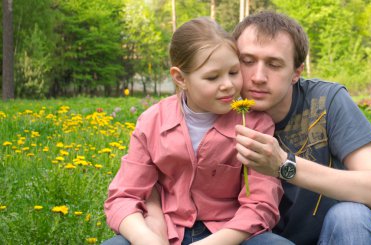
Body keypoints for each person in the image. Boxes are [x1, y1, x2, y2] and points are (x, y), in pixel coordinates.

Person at [102, 17, 284, 245]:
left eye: (234, 72)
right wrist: (145, 237)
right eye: (212, 77)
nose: (228, 85)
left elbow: (261, 204)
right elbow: (125, 195)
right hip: (167, 231)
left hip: (230, 233)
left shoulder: (254, 123)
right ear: (180, 78)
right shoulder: (152, 121)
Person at [233, 11, 371, 244]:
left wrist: (284, 165)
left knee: (351, 217)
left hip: (331, 235)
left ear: (296, 73)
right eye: (247, 61)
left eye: (274, 64)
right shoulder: (216, 110)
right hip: (257, 238)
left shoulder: (325, 101)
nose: (258, 77)